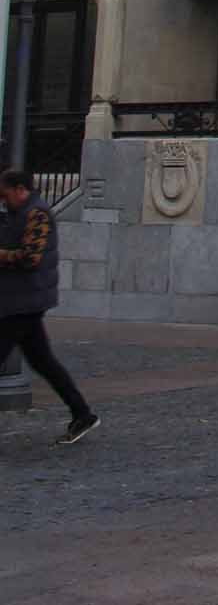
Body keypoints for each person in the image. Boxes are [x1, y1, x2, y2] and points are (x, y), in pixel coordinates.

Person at [0, 166, 100, 444]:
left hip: (25, 301)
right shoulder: (19, 213)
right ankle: (82, 413)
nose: (4, 201)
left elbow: (31, 257)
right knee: (44, 362)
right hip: (20, 300)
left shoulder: (37, 214)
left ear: (21, 189)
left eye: (6, 195)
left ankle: (83, 414)